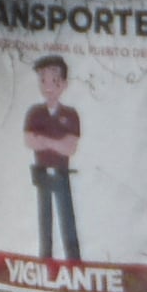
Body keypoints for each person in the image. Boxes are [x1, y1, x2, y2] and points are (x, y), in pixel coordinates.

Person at [22, 51, 83, 265]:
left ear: (63, 84)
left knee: (67, 220)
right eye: (43, 80)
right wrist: (55, 142)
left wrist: (45, 140)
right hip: (41, 172)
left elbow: (70, 148)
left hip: (61, 172)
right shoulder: (35, 113)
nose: (48, 86)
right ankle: (45, 260)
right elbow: (30, 140)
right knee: (44, 219)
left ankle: (74, 262)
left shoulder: (71, 114)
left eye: (54, 81)